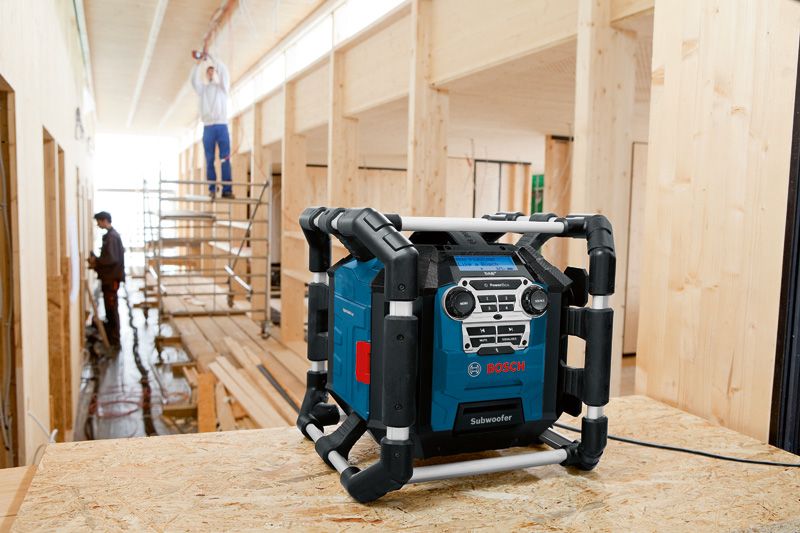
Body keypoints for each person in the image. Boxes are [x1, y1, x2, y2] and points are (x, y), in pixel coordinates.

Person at [191, 52, 233, 200]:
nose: (210, 73)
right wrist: (199, 63)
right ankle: (212, 189)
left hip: (222, 125)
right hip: (208, 126)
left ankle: (227, 189)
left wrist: (211, 57)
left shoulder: (222, 88)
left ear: (215, 72)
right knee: (209, 159)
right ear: (206, 73)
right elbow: (193, 80)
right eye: (208, 71)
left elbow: (224, 71)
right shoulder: (203, 89)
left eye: (212, 70)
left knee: (225, 158)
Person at [88, 211, 125, 348]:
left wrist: (97, 262)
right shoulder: (110, 236)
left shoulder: (112, 237)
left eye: (98, 221)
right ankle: (112, 337)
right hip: (109, 279)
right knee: (110, 308)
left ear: (104, 220)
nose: (97, 225)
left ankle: (115, 340)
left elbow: (111, 259)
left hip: (111, 280)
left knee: (111, 308)